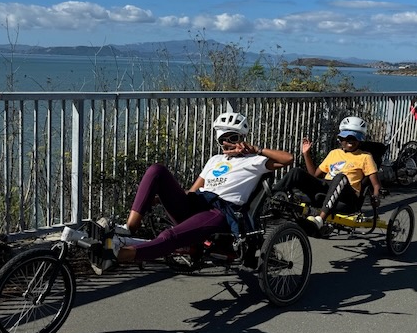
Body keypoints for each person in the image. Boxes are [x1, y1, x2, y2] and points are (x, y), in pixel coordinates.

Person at [100, 112, 293, 272]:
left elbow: (288, 159)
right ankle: (128, 229)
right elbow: (193, 191)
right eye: (224, 140)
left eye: (234, 138)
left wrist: (256, 150)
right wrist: (160, 200)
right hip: (195, 203)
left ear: (242, 138)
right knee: (156, 170)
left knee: (169, 236)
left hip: (219, 212)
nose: (229, 143)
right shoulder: (214, 160)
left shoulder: (254, 161)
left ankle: (120, 255)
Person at [272, 116, 381, 230]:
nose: (350, 141)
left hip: (347, 198)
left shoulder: (365, 157)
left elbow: (376, 184)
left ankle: (320, 219)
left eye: (354, 138)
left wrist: (376, 197)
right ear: (340, 139)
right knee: (296, 172)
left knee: (340, 177)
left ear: (360, 140)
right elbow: (314, 175)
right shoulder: (334, 153)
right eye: (347, 138)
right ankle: (271, 199)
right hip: (327, 190)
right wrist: (306, 154)